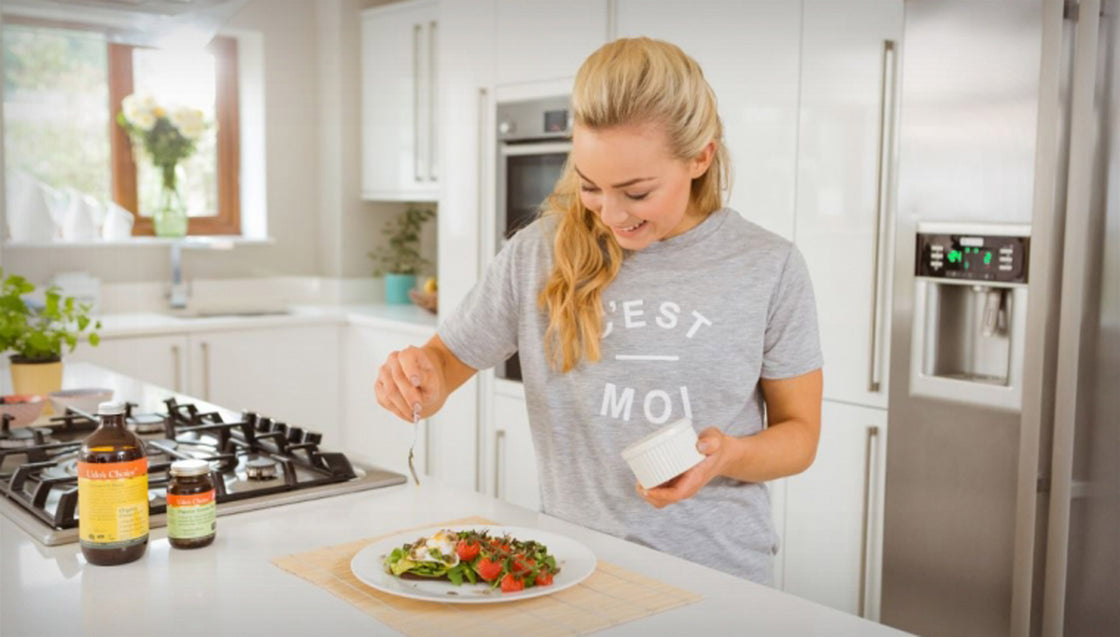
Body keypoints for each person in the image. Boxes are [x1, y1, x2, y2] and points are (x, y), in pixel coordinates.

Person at [375, 37, 823, 586]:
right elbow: (446, 361)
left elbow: (800, 436)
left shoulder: (768, 265)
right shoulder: (537, 252)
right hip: (573, 569)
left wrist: (723, 456)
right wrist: (419, 378)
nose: (610, 214)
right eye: (590, 186)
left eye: (636, 192)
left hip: (719, 578)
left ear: (700, 157)